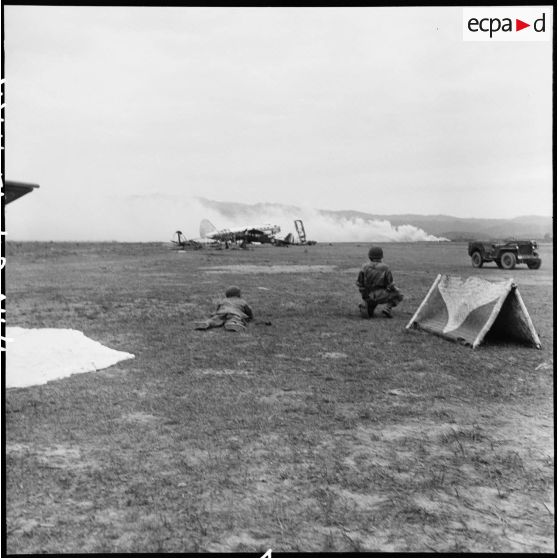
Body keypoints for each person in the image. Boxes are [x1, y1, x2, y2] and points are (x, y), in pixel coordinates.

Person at [357, 246, 403, 318]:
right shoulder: (385, 267)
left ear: (369, 256)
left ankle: (366, 304)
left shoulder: (364, 267)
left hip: (367, 295)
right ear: (381, 257)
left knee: (370, 313)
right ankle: (388, 308)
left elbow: (359, 283)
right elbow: (390, 284)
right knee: (399, 294)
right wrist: (394, 289)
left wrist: (364, 295)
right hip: (380, 294)